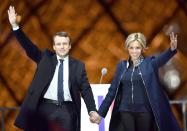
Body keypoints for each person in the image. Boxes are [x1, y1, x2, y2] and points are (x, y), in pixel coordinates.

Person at [8, 5, 100, 131]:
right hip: (45, 108)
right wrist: (15, 26)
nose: (62, 46)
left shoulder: (78, 66)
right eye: (58, 44)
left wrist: (92, 110)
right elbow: (29, 47)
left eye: (64, 44)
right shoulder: (45, 59)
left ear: (69, 46)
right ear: (54, 46)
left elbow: (86, 90)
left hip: (67, 110)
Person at [94, 32, 181, 131]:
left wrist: (171, 50)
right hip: (125, 110)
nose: (134, 51)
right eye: (131, 48)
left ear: (142, 48)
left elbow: (162, 59)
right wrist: (100, 113)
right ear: (127, 48)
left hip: (144, 110)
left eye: (137, 48)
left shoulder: (150, 64)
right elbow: (112, 91)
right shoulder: (121, 66)